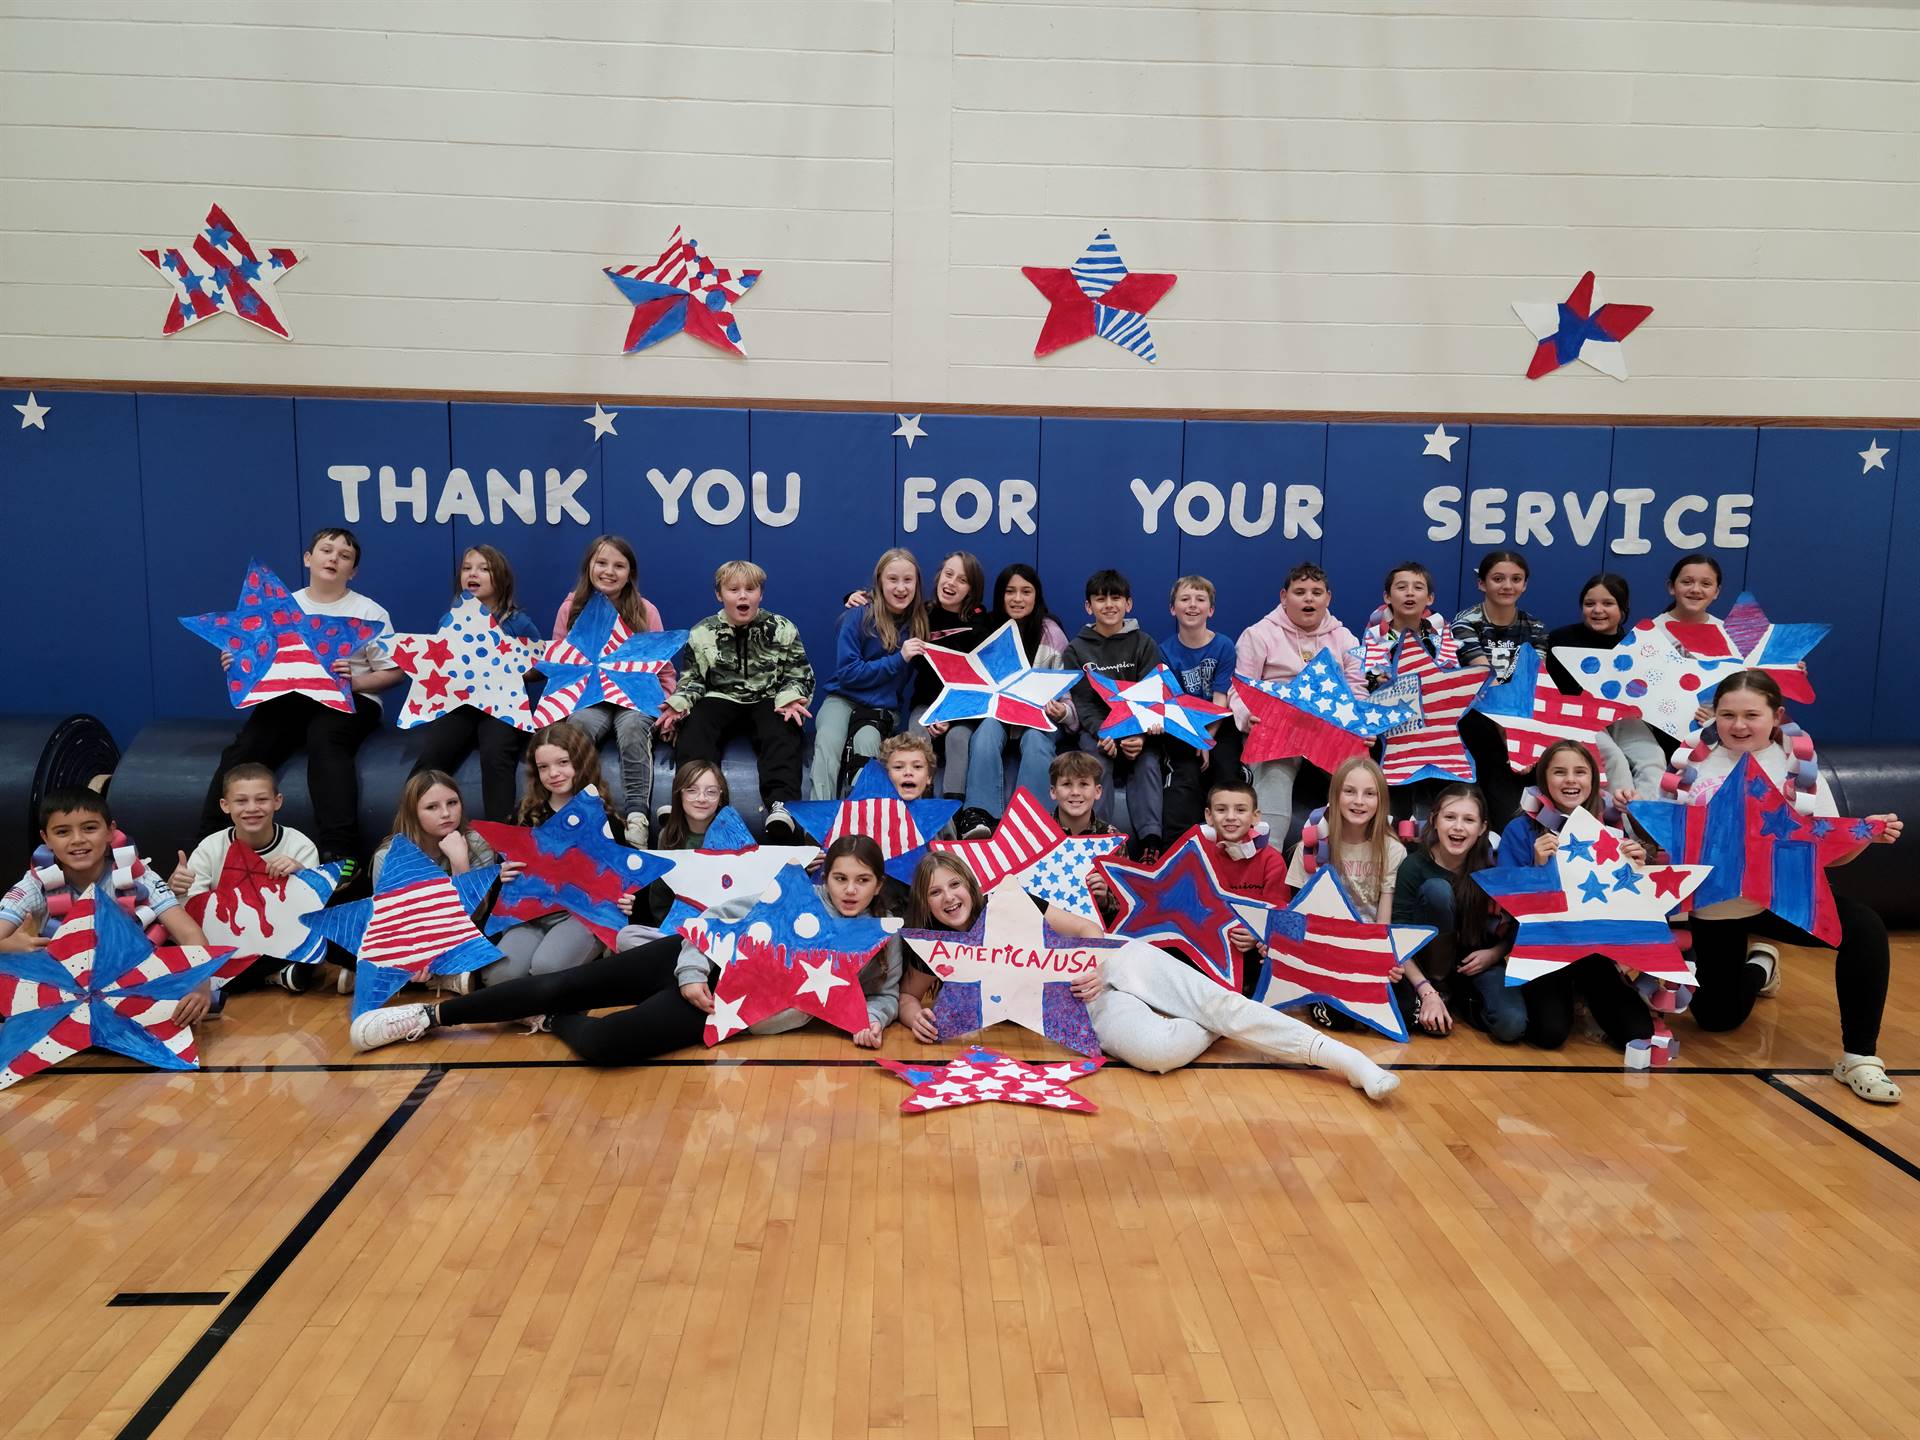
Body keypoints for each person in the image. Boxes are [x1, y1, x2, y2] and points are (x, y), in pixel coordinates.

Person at [349, 835, 902, 1059]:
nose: (850, 890)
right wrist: (691, 972)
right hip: (688, 964)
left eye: (862, 881)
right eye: (841, 878)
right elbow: (712, 920)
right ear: (826, 877)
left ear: (878, 885)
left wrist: (870, 1021)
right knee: (564, 981)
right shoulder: (793, 895)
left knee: (604, 1046)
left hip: (724, 1009)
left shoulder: (881, 938)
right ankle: (428, 1016)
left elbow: (884, 995)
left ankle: (548, 1020)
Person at [896, 852, 1398, 1098]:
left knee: (1223, 1005)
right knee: (1159, 1055)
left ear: (969, 884)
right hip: (1083, 1012)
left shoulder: (1010, 902)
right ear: (925, 902)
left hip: (1112, 961)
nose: (949, 898)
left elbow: (1086, 928)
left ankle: (1344, 1059)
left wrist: (1092, 963)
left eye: (954, 885)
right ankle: (1205, 1012)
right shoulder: (934, 950)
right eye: (936, 893)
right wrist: (914, 1013)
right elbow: (908, 996)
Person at [1676, 670, 1904, 1102]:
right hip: (1717, 905)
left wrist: (1863, 837)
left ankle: (1860, 1057)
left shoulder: (1799, 768)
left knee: (1865, 927)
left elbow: (1831, 852)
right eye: (1728, 714)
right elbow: (1668, 839)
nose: (1738, 725)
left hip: (1782, 897)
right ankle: (1761, 963)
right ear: (1713, 715)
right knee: (1716, 1020)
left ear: (1776, 716)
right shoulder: (1691, 764)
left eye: (1751, 715)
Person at [196, 527, 401, 865]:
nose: (333, 558)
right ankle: (209, 842)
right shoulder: (282, 607)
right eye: (326, 550)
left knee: (326, 737)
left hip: (351, 698)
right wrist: (238, 660)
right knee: (249, 744)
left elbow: (395, 672)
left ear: (353, 571)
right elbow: (257, 656)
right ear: (308, 558)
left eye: (344, 556)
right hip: (292, 696)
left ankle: (340, 852)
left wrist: (354, 683)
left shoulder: (369, 612)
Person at [0, 788, 216, 1025]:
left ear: (110, 831)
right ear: (46, 838)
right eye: (62, 832)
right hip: (63, 992)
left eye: (89, 828)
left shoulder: (137, 876)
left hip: (131, 987)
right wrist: (8, 945)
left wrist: (200, 985)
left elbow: (189, 933)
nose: (77, 839)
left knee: (182, 1001)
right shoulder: (35, 884)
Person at [1492, 742, 1658, 1050]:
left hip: (1591, 945)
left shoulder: (1609, 827)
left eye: (1580, 772)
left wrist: (1635, 868)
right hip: (1541, 944)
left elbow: (1627, 903)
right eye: (1559, 772)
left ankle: (1584, 991)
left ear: (1593, 779)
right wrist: (1537, 867)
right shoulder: (1520, 829)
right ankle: (1560, 994)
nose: (1570, 780)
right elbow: (1509, 904)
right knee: (1549, 1034)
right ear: (1544, 779)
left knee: (1638, 1033)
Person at [655, 560, 813, 840]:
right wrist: (679, 703)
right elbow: (693, 679)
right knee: (696, 723)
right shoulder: (702, 632)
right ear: (720, 594)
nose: (743, 596)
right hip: (720, 697)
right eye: (733, 589)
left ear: (760, 594)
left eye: (750, 589)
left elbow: (799, 674)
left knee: (782, 727)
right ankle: (688, 800)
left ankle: (781, 806)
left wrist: (790, 698)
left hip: (767, 697)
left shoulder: (782, 628)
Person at [478, 722, 630, 987]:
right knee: (499, 976)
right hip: (530, 916)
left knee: (547, 968)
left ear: (580, 762)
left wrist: (624, 899)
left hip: (580, 915)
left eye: (563, 763)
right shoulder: (525, 816)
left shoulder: (603, 819)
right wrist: (502, 875)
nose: (553, 773)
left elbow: (621, 877)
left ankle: (571, 979)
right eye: (543, 767)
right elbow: (507, 877)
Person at [407, 545, 547, 823]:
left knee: (496, 754)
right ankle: (408, 826)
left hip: (503, 705)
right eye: (467, 568)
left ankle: (502, 834)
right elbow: (440, 663)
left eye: (484, 569)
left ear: (501, 578)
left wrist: (511, 669)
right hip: (461, 705)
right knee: (435, 753)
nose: (473, 573)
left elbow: (540, 667)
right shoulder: (450, 620)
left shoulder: (517, 622)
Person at [1231, 562, 1365, 840]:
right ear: (1284, 596)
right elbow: (1239, 688)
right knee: (1274, 776)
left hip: (1329, 728)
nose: (1308, 599)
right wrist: (1247, 717)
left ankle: (1359, 854)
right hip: (1278, 728)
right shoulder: (1258, 634)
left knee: (1360, 777)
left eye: (1316, 592)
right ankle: (1267, 858)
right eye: (1300, 592)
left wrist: (1359, 725)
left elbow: (1357, 688)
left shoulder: (1344, 637)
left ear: (1328, 598)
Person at [553, 534, 672, 846]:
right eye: (602, 563)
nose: (609, 571)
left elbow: (663, 667)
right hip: (590, 697)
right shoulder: (571, 609)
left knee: (633, 728)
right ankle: (581, 815)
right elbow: (560, 663)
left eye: (619, 565)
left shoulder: (646, 610)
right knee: (577, 727)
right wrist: (559, 708)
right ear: (589, 566)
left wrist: (668, 707)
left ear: (630, 573)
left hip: (635, 697)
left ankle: (637, 818)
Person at [167, 762, 323, 994]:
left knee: (318, 941)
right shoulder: (211, 847)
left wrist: (301, 875)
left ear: (277, 801)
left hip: (278, 937)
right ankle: (273, 975)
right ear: (225, 805)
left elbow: (312, 912)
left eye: (261, 799)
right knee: (171, 946)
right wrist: (176, 890)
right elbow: (192, 915)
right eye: (241, 801)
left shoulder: (299, 845)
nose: (252, 808)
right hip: (226, 940)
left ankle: (249, 977)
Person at [953, 563, 1072, 839]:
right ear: (1000, 595)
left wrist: (1063, 711)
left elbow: (1067, 690)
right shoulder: (987, 629)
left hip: (1040, 719)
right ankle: (979, 815)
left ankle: (1032, 820)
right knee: (985, 732)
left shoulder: (1051, 633)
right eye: (1010, 591)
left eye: (1026, 592)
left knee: (1035, 740)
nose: (1018, 599)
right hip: (999, 716)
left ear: (1036, 596)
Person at [359, 770, 500, 997]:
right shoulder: (389, 856)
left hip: (463, 932)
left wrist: (459, 861)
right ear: (413, 813)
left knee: (492, 940)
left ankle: (386, 978)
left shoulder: (476, 842)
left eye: (452, 803)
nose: (446, 813)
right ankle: (442, 976)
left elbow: (475, 916)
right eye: (432, 807)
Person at [1389, 785, 1513, 1039]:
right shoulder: (1414, 866)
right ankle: (1438, 993)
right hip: (1427, 967)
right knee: (1437, 890)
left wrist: (1494, 954)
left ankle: (1462, 1001)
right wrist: (1426, 991)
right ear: (1434, 821)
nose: (1458, 827)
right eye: (1449, 817)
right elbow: (1396, 935)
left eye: (1469, 820)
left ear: (1482, 828)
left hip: (1475, 962)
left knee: (1511, 1025)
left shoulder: (1493, 866)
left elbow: (1513, 927)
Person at [808, 549, 928, 803]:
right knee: (828, 739)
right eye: (892, 579)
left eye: (908, 580)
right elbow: (848, 673)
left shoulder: (921, 622)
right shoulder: (858, 616)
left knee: (867, 741)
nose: (901, 588)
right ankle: (818, 813)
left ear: (917, 584)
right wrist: (899, 658)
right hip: (843, 698)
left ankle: (862, 815)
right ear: (879, 582)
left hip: (882, 708)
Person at [1062, 569, 1165, 859]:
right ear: (1088, 606)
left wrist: (1139, 735)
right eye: (1100, 599)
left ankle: (1151, 844)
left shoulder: (1144, 644)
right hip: (1098, 733)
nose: (1109, 605)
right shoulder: (1075, 650)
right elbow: (1084, 703)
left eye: (1116, 598)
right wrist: (1107, 734)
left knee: (1148, 764)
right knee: (1096, 765)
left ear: (1128, 604)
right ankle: (1098, 840)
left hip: (1138, 732)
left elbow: (1152, 695)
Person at [1542, 572, 1668, 801]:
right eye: (1590, 604)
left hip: (1622, 716)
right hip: (1576, 714)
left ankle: (1648, 818)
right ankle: (1619, 817)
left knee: (1653, 757)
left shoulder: (1635, 645)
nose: (1597, 610)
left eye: (1608, 603)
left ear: (1623, 608)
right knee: (1614, 758)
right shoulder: (1561, 639)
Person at [1451, 550, 1551, 824]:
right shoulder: (1465, 623)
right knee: (1483, 732)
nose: (1508, 586)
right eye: (1498, 579)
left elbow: (1532, 684)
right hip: (1478, 717)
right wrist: (1512, 740)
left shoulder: (1535, 627)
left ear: (1525, 584)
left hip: (1521, 717)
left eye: (1516, 579)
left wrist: (1525, 740)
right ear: (1481, 583)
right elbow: (1488, 682)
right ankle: (1497, 821)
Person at [1160, 575, 1243, 840]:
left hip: (1219, 724)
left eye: (1200, 599)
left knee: (1226, 772)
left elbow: (1220, 699)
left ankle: (1230, 842)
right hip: (1182, 727)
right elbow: (1173, 703)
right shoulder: (1164, 651)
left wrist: (1206, 740)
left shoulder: (1224, 646)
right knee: (1186, 777)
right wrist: (1196, 739)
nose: (1192, 605)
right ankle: (1178, 846)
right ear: (1173, 609)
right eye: (1185, 599)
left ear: (1211, 609)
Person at [1195, 780, 1290, 996]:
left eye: (1240, 810)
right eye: (1221, 810)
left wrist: (1258, 933)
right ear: (1209, 816)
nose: (1230, 817)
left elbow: (1279, 912)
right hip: (1209, 946)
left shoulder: (1271, 860)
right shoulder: (1198, 855)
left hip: (1251, 948)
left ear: (1255, 817)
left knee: (1272, 957)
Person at [1284, 755, 1405, 923]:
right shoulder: (1310, 847)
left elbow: (1383, 923)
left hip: (1369, 936)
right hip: (1321, 933)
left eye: (1369, 793)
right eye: (1349, 791)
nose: (1359, 801)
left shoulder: (1392, 849)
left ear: (1381, 800)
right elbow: (1297, 912)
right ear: (1335, 795)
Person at [628, 760, 730, 940]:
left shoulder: (734, 835)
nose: (701, 798)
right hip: (676, 932)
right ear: (679, 794)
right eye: (692, 790)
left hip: (721, 933)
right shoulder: (667, 837)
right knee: (627, 936)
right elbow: (659, 898)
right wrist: (673, 933)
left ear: (721, 797)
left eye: (711, 792)